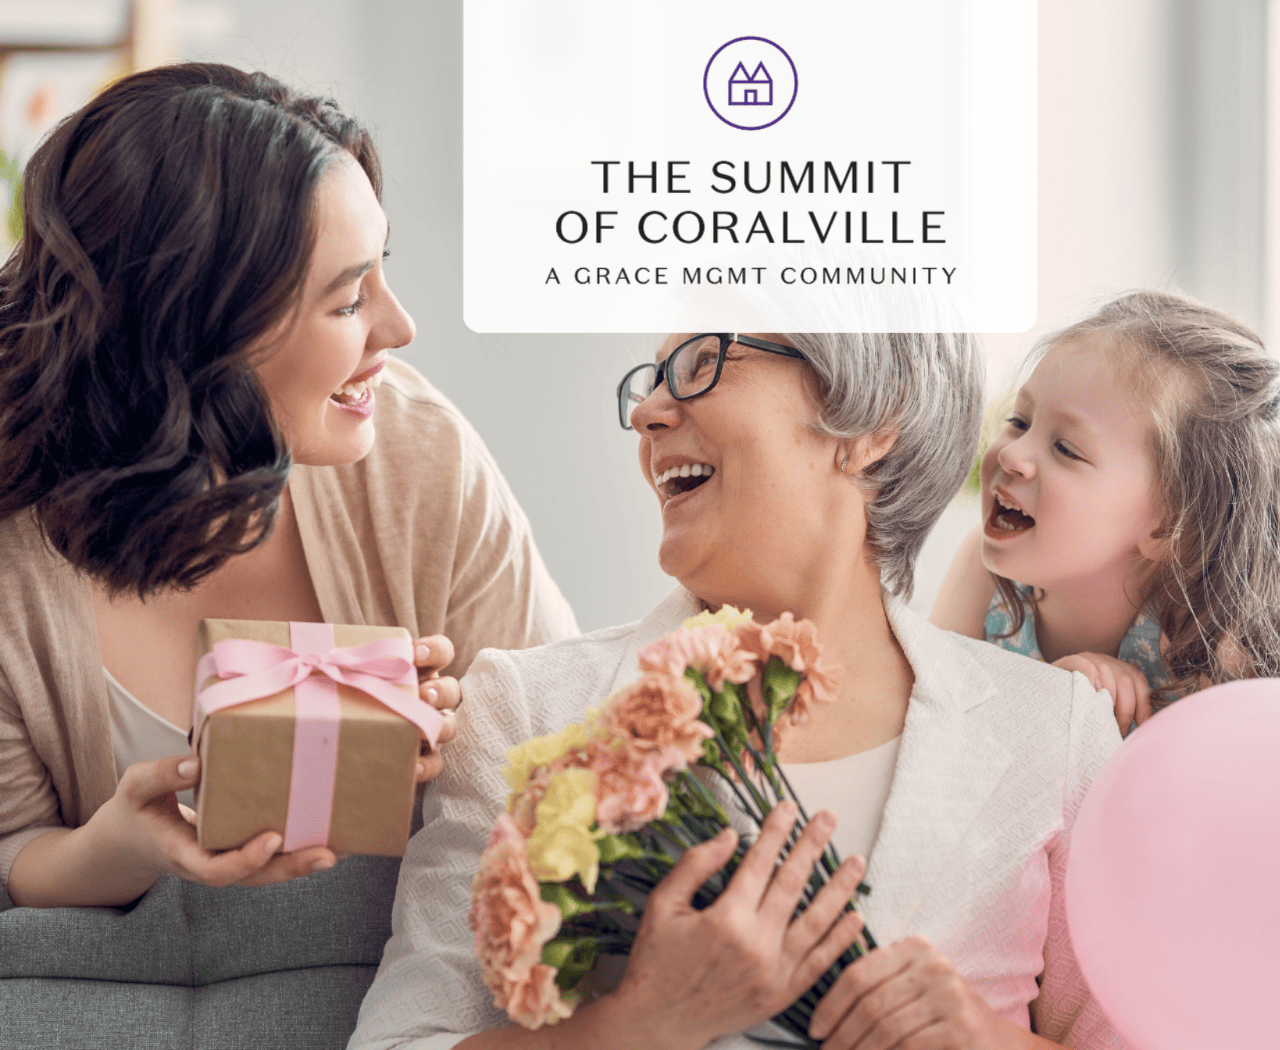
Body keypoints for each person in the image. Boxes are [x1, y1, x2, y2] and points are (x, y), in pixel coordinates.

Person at [350, 332, 1127, 1050]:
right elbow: (397, 1040)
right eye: (651, 383)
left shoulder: (1054, 732)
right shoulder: (523, 708)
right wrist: (638, 1027)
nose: (649, 415)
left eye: (702, 366)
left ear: (871, 420)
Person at [0, 63, 577, 909]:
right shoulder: (15, 548)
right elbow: (13, 848)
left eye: (382, 270)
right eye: (348, 301)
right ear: (198, 332)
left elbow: (572, 763)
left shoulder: (419, 456)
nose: (400, 327)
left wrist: (469, 744)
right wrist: (125, 843)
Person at [931, 290, 1280, 735]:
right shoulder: (987, 578)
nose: (1013, 453)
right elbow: (931, 732)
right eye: (1019, 421)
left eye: (1066, 449)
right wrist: (1049, 703)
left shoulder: (1207, 644)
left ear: (1168, 526)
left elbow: (1229, 797)